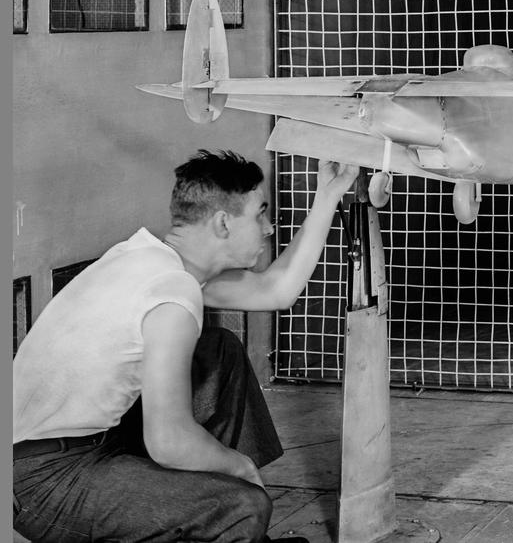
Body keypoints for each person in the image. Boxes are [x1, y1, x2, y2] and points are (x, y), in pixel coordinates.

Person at [13, 150, 359, 543]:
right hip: (44, 480)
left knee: (220, 352)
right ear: (223, 222)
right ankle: (227, 518)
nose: (267, 228)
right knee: (242, 508)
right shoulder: (172, 294)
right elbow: (168, 442)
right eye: (260, 214)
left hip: (85, 445)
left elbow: (275, 290)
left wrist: (329, 193)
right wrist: (241, 468)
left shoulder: (153, 261)